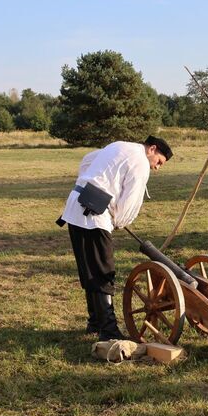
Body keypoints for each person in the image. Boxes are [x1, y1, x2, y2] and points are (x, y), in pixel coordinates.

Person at [57, 135, 173, 341]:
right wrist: (120, 220)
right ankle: (109, 331)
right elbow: (131, 200)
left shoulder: (119, 145)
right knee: (103, 271)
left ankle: (95, 323)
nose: (157, 167)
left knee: (89, 269)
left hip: (75, 207)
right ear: (152, 149)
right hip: (93, 216)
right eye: (160, 162)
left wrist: (89, 184)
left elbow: (87, 160)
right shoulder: (141, 162)